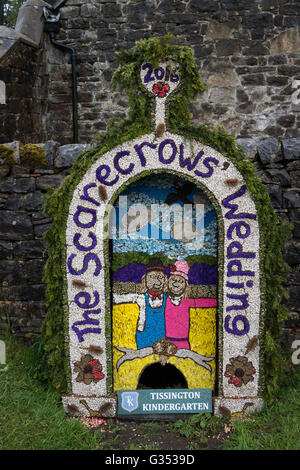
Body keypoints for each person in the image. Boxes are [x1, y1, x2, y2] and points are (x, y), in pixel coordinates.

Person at [113, 258, 167, 349]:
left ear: (165, 280)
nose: (157, 281)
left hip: (163, 341)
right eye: (152, 277)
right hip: (144, 341)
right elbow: (117, 298)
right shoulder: (140, 298)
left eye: (160, 277)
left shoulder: (168, 299)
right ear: (145, 279)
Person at [164, 260, 217, 350]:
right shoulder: (165, 299)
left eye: (180, 281)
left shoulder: (186, 301)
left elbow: (205, 302)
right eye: (173, 280)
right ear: (168, 282)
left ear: (185, 285)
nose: (176, 283)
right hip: (167, 341)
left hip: (183, 342)